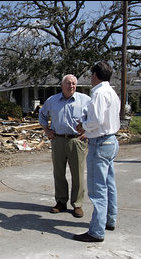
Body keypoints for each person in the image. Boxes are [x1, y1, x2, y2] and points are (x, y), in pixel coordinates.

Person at [74, 61, 121, 243]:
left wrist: (83, 126)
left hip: (100, 143)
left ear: (95, 75)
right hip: (111, 140)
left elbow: (96, 120)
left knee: (97, 188)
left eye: (91, 75)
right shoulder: (112, 92)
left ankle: (96, 231)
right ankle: (109, 220)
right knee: (109, 184)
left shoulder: (99, 93)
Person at [39, 74, 91, 218]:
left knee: (78, 174)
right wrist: (46, 130)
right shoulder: (52, 101)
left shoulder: (85, 100)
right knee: (59, 173)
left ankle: (77, 204)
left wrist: (89, 132)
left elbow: (95, 117)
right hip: (58, 140)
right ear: (62, 85)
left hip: (77, 141)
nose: (71, 86)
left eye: (74, 83)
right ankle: (61, 202)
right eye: (68, 83)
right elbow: (42, 114)